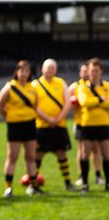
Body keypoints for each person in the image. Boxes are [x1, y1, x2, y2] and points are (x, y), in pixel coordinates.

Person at [0, 60, 41, 197]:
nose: (24, 74)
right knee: (12, 156)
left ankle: (33, 186)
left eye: (27, 71)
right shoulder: (9, 87)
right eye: (21, 71)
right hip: (14, 125)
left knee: (30, 156)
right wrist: (9, 115)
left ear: (29, 73)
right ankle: (8, 188)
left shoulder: (33, 88)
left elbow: (36, 106)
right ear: (17, 72)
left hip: (29, 125)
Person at [32, 59, 76, 191]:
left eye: (52, 68)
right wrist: (48, 119)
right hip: (41, 125)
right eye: (48, 67)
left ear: (55, 70)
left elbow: (68, 102)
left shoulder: (61, 82)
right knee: (38, 154)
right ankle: (33, 185)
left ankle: (68, 183)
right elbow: (34, 106)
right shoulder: (35, 84)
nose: (50, 70)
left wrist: (58, 119)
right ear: (42, 69)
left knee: (62, 153)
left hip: (59, 124)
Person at [76, 57, 109, 191]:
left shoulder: (107, 86)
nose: (94, 73)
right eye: (91, 70)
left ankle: (107, 182)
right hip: (87, 125)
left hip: (104, 124)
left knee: (106, 153)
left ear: (101, 71)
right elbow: (84, 102)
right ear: (88, 72)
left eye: (96, 70)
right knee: (85, 153)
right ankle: (85, 182)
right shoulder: (82, 87)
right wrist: (101, 100)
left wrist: (95, 101)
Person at [71, 64, 104, 187]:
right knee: (82, 151)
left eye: (87, 71)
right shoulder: (76, 86)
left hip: (93, 122)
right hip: (80, 123)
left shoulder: (96, 86)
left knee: (96, 150)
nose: (85, 73)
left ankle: (98, 174)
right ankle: (81, 175)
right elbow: (67, 101)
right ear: (80, 73)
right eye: (83, 71)